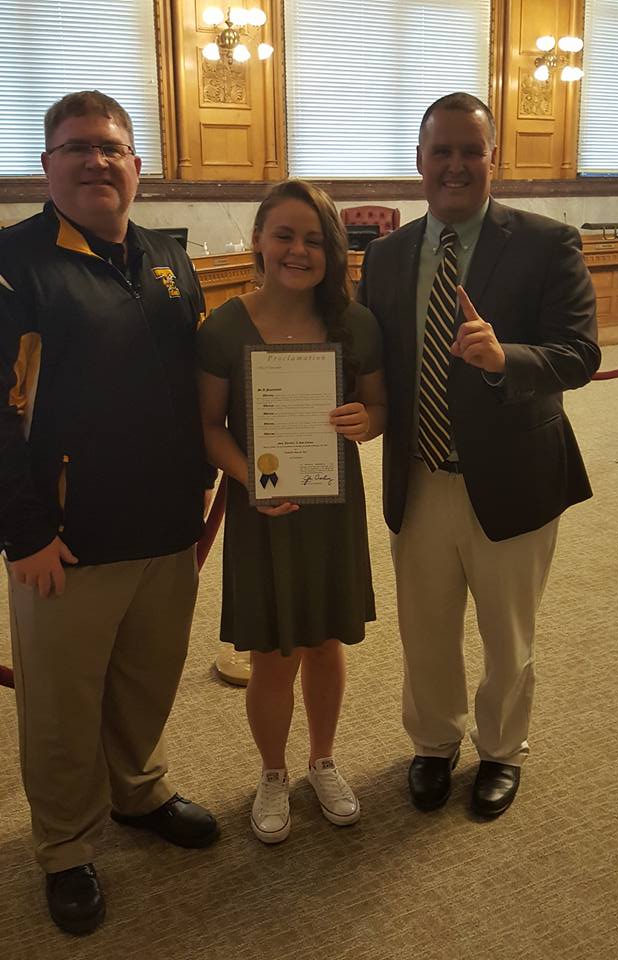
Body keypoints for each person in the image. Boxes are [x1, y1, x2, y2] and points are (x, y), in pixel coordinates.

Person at [0, 91, 218, 936]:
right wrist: (23, 533)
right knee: (60, 703)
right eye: (77, 147)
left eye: (113, 148)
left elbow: (200, 379)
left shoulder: (167, 255)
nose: (97, 160)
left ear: (138, 168)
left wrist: (210, 475)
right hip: (65, 537)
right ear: (46, 165)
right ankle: (65, 846)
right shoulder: (15, 264)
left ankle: (138, 792)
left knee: (145, 677)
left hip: (166, 525)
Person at [357, 93, 600, 819]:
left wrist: (505, 359)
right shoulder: (387, 254)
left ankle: (500, 751)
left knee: (507, 633)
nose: (456, 165)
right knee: (425, 629)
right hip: (420, 475)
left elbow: (580, 354)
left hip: (515, 478)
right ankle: (434, 743)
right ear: (419, 162)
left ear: (495, 159)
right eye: (442, 151)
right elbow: (377, 365)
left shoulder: (547, 243)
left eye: (471, 151)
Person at [197, 179, 385, 844]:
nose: (299, 250)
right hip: (263, 508)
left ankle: (322, 760)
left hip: (332, 509)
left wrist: (366, 421)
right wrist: (252, 479)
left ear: (332, 251)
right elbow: (209, 427)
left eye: (315, 239)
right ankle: (273, 772)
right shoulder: (224, 326)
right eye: (285, 234)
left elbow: (379, 409)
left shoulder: (354, 324)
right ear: (257, 240)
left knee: (326, 643)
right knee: (274, 651)